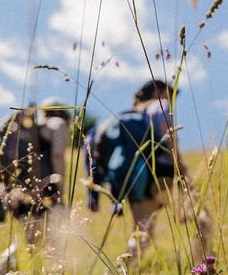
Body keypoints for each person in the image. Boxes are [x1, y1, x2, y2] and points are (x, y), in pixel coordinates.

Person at [85, 79, 209, 260]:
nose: (172, 98)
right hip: (163, 175)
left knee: (142, 233)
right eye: (170, 92)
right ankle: (202, 267)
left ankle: (125, 270)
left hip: (138, 179)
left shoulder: (126, 116)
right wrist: (182, 170)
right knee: (203, 219)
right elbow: (169, 139)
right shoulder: (160, 105)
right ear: (158, 91)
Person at [0, 97, 73, 275]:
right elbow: (58, 156)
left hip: (19, 194)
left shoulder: (29, 130)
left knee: (29, 242)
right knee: (50, 245)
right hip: (44, 194)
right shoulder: (56, 124)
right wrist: (59, 190)